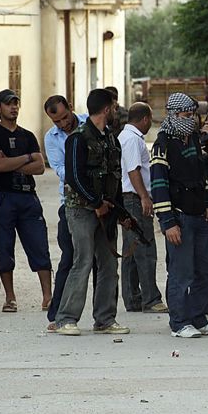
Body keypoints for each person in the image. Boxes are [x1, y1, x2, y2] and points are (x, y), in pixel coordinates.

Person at [54, 88, 131, 336]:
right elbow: (75, 177)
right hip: (81, 210)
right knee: (83, 260)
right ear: (107, 109)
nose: (117, 110)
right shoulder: (77, 138)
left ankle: (105, 319)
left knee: (109, 264)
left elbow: (115, 177)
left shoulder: (111, 139)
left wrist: (120, 212)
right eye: (114, 106)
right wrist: (96, 203)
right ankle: (65, 318)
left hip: (105, 210)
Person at [151, 93, 208, 338]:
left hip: (199, 217)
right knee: (181, 273)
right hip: (179, 219)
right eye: (186, 114)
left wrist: (207, 205)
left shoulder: (194, 138)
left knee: (206, 271)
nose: (191, 118)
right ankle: (179, 322)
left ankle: (198, 317)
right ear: (174, 114)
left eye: (193, 114)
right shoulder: (162, 144)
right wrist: (168, 222)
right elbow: (159, 186)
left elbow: (202, 177)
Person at [0, 89, 52, 313]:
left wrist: (12, 162)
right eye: (8, 104)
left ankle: (47, 297)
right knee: (3, 245)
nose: (13, 107)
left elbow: (40, 167)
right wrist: (25, 159)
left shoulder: (28, 135)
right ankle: (10, 298)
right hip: (3, 196)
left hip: (28, 196)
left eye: (16, 103)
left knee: (39, 244)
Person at [43, 95, 89, 330]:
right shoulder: (51, 138)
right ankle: (58, 313)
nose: (62, 124)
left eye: (64, 118)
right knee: (69, 258)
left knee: (103, 261)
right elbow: (61, 170)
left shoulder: (89, 123)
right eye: (57, 121)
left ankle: (105, 317)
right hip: (71, 204)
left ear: (71, 107)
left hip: (99, 201)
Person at [118, 102, 166, 314]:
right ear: (145, 119)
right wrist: (145, 197)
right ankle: (150, 299)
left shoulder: (126, 137)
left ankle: (133, 298)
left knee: (132, 250)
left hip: (130, 198)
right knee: (145, 249)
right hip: (135, 199)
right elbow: (133, 170)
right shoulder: (132, 140)